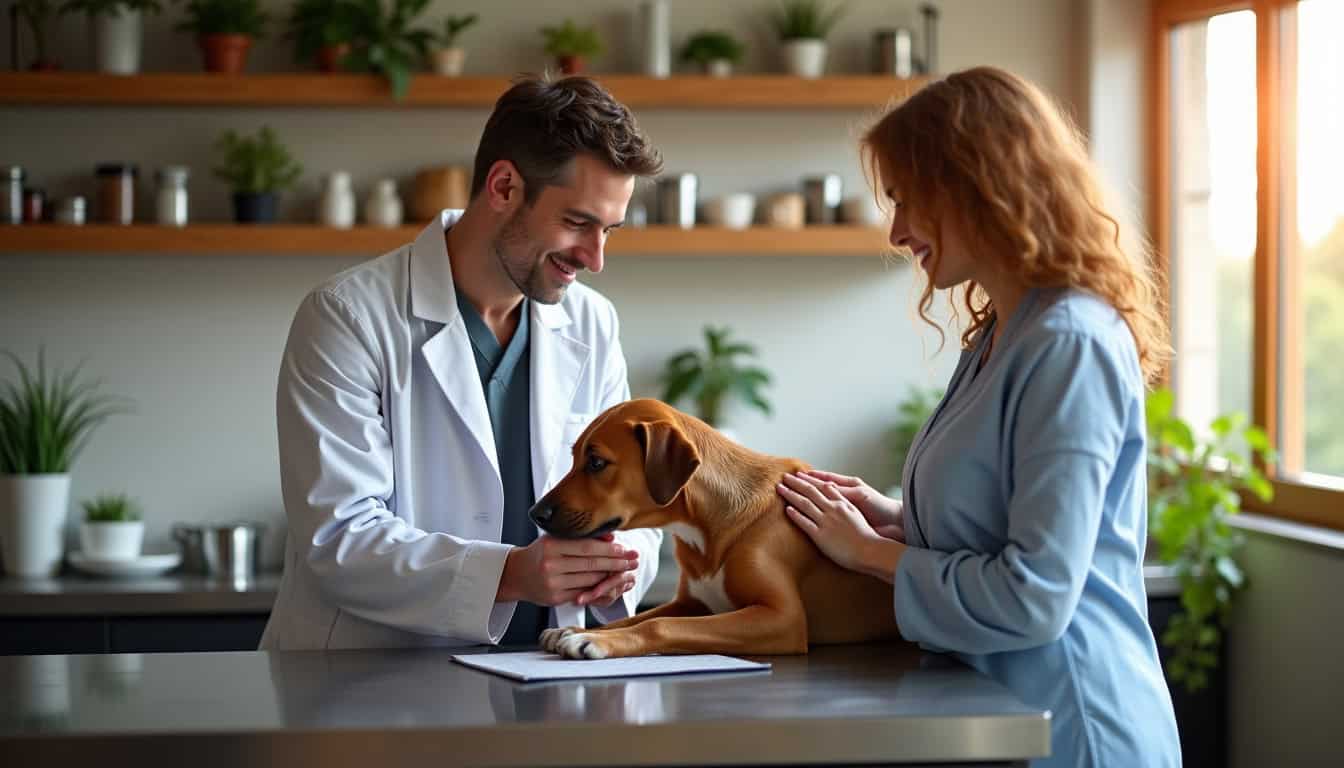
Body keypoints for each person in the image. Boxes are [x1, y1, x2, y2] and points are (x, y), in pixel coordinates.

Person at [775, 67, 1182, 767]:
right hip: (1004, 718)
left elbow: (1036, 596)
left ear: (976, 184)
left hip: (1078, 729)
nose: (897, 231)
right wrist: (892, 516)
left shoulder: (1070, 342)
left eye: (908, 201)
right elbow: (1001, 523)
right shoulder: (1004, 332)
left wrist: (871, 554)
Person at [260, 75, 665, 651]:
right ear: (503, 186)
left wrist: (617, 567)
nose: (596, 259)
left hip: (545, 674)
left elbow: (631, 498)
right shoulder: (347, 317)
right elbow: (338, 536)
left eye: (609, 231)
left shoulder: (592, 324)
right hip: (368, 687)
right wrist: (509, 575)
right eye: (577, 223)